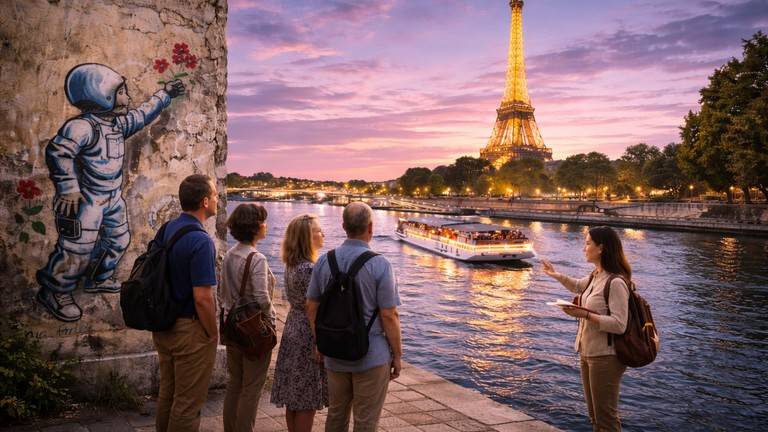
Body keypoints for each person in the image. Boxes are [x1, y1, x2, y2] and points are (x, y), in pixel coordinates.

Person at [36, 63, 185, 322]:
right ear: (101, 96)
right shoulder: (82, 127)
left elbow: (143, 115)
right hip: (85, 200)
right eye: (122, 92)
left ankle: (97, 277)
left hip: (112, 197)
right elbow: (58, 152)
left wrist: (166, 94)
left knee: (118, 240)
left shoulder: (117, 124)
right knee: (76, 248)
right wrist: (68, 188)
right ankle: (56, 291)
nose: (127, 97)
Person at [306, 202, 402, 432]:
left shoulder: (324, 261)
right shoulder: (380, 264)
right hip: (371, 354)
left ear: (343, 226)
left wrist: (319, 340)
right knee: (366, 421)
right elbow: (389, 315)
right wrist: (397, 355)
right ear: (370, 227)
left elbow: (311, 305)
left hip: (334, 351)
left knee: (336, 415)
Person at [541, 226, 631, 432]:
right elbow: (577, 286)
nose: (584, 248)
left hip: (605, 357)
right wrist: (554, 274)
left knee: (606, 419)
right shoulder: (596, 276)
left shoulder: (615, 282)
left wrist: (586, 315)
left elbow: (619, 324)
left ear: (601, 248)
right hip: (587, 352)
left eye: (588, 243)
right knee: (594, 416)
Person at [152, 174, 219, 432]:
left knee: (168, 395)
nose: (217, 200)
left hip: (164, 325)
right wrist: (212, 333)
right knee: (188, 404)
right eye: (214, 195)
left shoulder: (167, 228)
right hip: (188, 331)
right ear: (204, 201)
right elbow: (202, 297)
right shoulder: (201, 242)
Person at [219, 203, 276, 432]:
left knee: (235, 383)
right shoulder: (256, 258)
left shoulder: (230, 255)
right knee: (252, 389)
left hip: (232, 325)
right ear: (255, 227)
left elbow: (223, 293)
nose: (266, 225)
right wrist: (271, 319)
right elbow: (262, 297)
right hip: (252, 329)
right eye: (263, 221)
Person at [271, 214, 329, 432]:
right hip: (308, 331)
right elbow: (313, 308)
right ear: (307, 238)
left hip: (293, 326)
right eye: (318, 231)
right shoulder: (310, 270)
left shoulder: (292, 265)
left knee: (294, 395)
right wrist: (319, 342)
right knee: (306, 398)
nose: (323, 234)